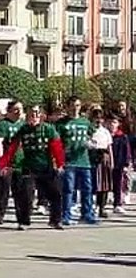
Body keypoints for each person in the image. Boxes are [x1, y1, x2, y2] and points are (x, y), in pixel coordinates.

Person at [0, 105, 65, 230]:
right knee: (25, 195)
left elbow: (57, 146)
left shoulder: (49, 129)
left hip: (46, 166)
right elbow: (12, 148)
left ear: (41, 115)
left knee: (55, 194)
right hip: (29, 166)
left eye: (36, 113)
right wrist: (4, 164)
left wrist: (60, 164)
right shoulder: (23, 130)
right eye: (31, 113)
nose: (34, 116)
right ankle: (23, 221)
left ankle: (56, 220)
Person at [55, 96, 96, 225]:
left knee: (87, 188)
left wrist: (91, 144)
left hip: (84, 161)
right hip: (68, 162)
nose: (75, 108)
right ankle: (66, 215)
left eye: (77, 105)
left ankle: (87, 213)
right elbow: (55, 142)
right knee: (68, 189)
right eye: (72, 105)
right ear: (67, 107)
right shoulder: (61, 124)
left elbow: (92, 136)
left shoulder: (85, 122)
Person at [87, 109, 113, 218]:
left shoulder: (105, 132)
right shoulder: (89, 131)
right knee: (92, 184)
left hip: (104, 158)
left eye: (100, 118)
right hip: (93, 157)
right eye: (96, 118)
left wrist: (111, 161)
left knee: (104, 184)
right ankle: (90, 208)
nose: (98, 120)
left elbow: (109, 147)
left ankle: (102, 207)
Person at [109, 114, 132, 214]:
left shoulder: (122, 137)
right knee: (103, 185)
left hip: (119, 164)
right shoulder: (105, 135)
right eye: (110, 122)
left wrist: (126, 164)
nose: (112, 125)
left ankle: (117, 204)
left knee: (118, 185)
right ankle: (100, 204)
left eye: (114, 122)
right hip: (106, 164)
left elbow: (127, 151)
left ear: (118, 124)